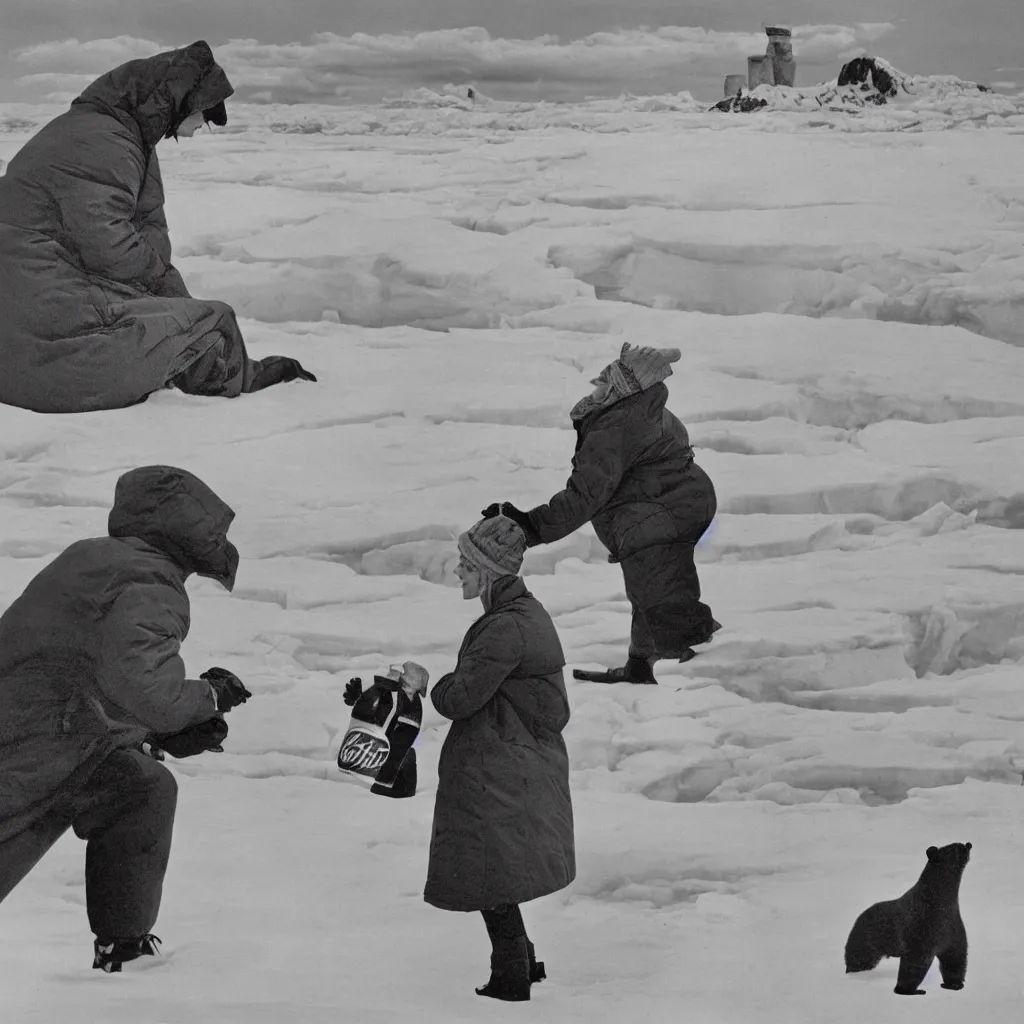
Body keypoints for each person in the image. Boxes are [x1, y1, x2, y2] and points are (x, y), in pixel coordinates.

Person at [0, 465, 252, 972]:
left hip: (56, 734)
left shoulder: (93, 557)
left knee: (142, 788)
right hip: (32, 749)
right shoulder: (153, 581)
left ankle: (126, 949)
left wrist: (152, 730)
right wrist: (208, 697)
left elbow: (86, 671)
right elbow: (144, 689)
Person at [0, 40, 315, 414]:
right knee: (215, 323)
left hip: (26, 308)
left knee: (193, 321)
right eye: (203, 115)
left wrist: (170, 292)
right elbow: (106, 242)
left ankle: (228, 370)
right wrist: (168, 289)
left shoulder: (114, 133)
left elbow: (143, 229)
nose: (201, 126)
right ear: (181, 102)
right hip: (42, 324)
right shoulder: (106, 142)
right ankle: (238, 387)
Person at [486, 342, 720, 685]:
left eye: (614, 376)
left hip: (660, 513)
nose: (601, 381)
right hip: (681, 504)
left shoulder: (617, 425)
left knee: (658, 597)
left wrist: (529, 526)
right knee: (652, 588)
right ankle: (644, 666)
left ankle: (694, 673)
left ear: (626, 386)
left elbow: (585, 496)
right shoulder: (646, 407)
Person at [424, 516, 575, 1002]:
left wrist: (426, 684)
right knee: (498, 870)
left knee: (489, 872)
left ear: (488, 571)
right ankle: (522, 963)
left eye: (467, 565)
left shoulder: (504, 628)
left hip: (499, 770)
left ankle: (511, 979)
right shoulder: (524, 613)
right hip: (513, 761)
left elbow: (458, 699)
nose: (459, 573)